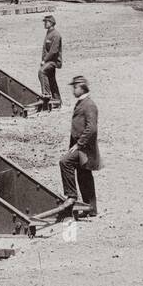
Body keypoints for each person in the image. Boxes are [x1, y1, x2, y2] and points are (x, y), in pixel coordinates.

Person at [59, 75, 99, 217]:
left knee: (65, 162)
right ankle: (91, 209)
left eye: (75, 87)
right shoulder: (82, 102)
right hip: (81, 148)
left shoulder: (89, 105)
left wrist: (78, 144)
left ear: (82, 88)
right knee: (84, 176)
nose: (73, 90)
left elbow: (91, 128)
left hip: (85, 149)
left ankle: (71, 196)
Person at [39, 14, 63, 109]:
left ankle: (47, 95)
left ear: (51, 23)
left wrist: (45, 61)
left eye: (46, 22)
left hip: (53, 61)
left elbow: (54, 51)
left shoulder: (56, 35)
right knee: (51, 80)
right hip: (49, 60)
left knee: (42, 72)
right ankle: (57, 101)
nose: (44, 24)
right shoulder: (49, 33)